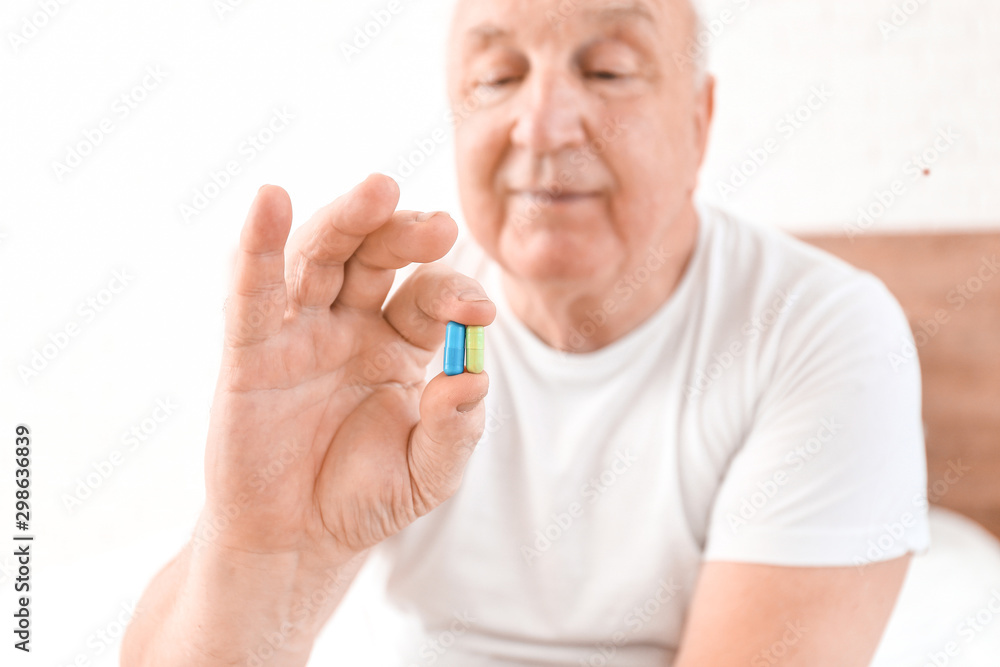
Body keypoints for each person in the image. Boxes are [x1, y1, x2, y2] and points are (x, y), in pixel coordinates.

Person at [122, 0, 930, 664]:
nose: (541, 125)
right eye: (498, 76)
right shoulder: (385, 337)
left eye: (608, 69)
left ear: (699, 120)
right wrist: (267, 545)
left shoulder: (821, 335)